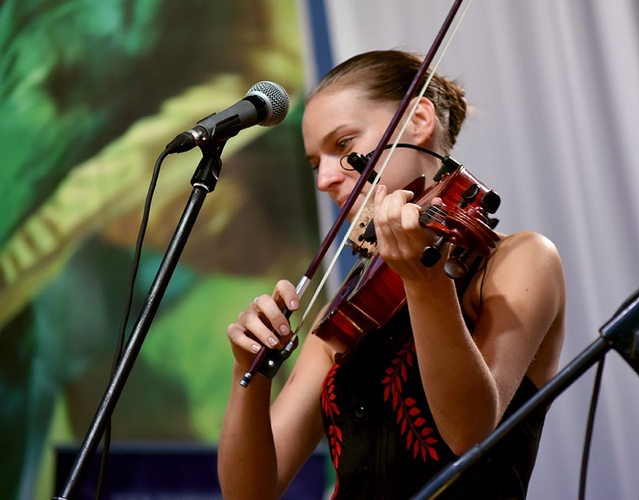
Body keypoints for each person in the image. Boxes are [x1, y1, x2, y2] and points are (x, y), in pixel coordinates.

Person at [218, 50, 566, 499]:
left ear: (418, 120)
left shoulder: (520, 260)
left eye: (343, 145)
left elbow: (468, 434)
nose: (324, 178)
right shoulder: (347, 315)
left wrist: (425, 284)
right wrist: (248, 374)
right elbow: (250, 494)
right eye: (314, 163)